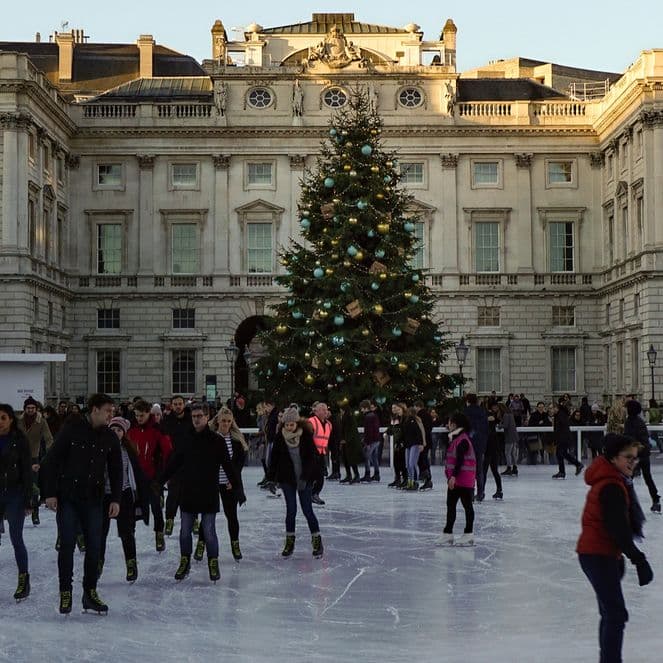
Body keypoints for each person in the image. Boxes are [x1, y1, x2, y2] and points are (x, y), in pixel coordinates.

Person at [41, 393, 122, 615]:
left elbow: (116, 470)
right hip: (68, 498)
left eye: (113, 411)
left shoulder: (109, 437)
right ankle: (65, 591)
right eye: (108, 410)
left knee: (94, 547)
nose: (111, 414)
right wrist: (49, 493)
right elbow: (51, 461)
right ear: (94, 409)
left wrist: (116, 498)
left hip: (94, 500)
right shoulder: (72, 429)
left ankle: (90, 591)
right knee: (67, 545)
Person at [577, 433, 654, 663]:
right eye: (627, 457)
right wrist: (639, 560)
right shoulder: (611, 486)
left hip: (599, 554)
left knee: (611, 613)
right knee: (616, 614)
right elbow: (618, 529)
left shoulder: (613, 480)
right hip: (597, 555)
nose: (633, 462)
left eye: (635, 458)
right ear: (612, 458)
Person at [159, 402, 245, 582]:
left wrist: (237, 488)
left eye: (200, 416)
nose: (196, 419)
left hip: (208, 492)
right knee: (185, 531)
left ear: (207, 418)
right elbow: (174, 463)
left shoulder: (216, 441)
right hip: (188, 491)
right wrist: (158, 482)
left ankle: (213, 561)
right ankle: (185, 561)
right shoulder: (185, 439)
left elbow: (229, 467)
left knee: (209, 530)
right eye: (194, 416)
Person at [267, 407, 323, 558]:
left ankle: (317, 540)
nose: (289, 427)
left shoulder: (305, 436)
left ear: (297, 423)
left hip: (305, 478)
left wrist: (310, 477)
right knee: (291, 510)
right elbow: (275, 459)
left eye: (292, 424)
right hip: (288, 480)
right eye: (287, 424)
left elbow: (313, 459)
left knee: (307, 510)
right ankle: (289, 542)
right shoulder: (280, 437)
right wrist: (271, 478)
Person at [98, 417, 149, 583]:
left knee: (127, 533)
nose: (115, 433)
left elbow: (137, 474)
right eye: (113, 430)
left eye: (119, 430)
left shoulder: (128, 451)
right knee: (100, 533)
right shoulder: (100, 448)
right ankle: (98, 563)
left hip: (124, 495)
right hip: (104, 496)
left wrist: (142, 496)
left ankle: (131, 563)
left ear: (124, 433)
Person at [195, 407, 248, 562]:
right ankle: (201, 544)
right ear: (218, 420)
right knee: (207, 517)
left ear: (232, 423)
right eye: (223, 420)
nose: (225, 423)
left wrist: (234, 481)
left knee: (231, 516)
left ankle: (235, 544)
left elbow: (238, 465)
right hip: (211, 484)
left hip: (228, 484)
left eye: (228, 421)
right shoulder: (209, 438)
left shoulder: (236, 442)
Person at [127, 399, 172, 551]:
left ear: (148, 414)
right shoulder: (131, 429)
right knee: (131, 508)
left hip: (154, 476)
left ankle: (159, 532)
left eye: (141, 415)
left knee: (156, 507)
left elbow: (167, 452)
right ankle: (129, 534)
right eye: (136, 415)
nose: (138, 418)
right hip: (135, 476)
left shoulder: (158, 429)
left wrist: (165, 475)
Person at [0, 403, 32, 601]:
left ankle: (23, 578)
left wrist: (28, 499)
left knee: (16, 537)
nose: (0, 422)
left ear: (11, 419)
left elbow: (27, 471)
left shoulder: (20, 440)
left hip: (15, 493)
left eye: (3, 418)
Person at [437, 412, 476, 546]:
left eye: (449, 422)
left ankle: (468, 533)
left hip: (463, 480)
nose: (447, 425)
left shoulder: (462, 440)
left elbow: (460, 460)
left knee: (467, 506)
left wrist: (453, 476)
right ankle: (448, 533)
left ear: (455, 424)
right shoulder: (456, 439)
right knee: (451, 506)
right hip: (457, 479)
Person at [17, 396, 54, 526]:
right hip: (18, 458)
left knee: (34, 487)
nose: (31, 410)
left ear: (36, 409)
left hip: (33, 457)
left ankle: (35, 512)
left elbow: (48, 438)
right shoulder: (18, 421)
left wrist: (51, 450)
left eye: (33, 408)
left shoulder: (41, 422)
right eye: (28, 408)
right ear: (24, 409)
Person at [161, 395, 193, 535]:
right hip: (172, 462)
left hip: (189, 461)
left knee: (190, 492)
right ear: (171, 405)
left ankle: (194, 519)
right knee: (173, 493)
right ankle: (169, 519)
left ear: (184, 404)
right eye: (175, 404)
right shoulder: (167, 421)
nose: (178, 406)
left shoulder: (191, 419)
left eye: (180, 403)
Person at [624, 400, 660, 513]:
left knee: (627, 479)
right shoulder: (640, 421)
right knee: (647, 477)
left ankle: (625, 502)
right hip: (644, 453)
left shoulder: (630, 422)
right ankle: (656, 500)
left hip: (636, 454)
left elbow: (630, 438)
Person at [464, 394, 488, 501]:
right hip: (480, 444)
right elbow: (485, 428)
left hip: (469, 444)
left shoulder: (466, 412)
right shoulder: (482, 411)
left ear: (468, 401)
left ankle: (470, 492)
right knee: (479, 470)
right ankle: (480, 492)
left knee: (469, 469)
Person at [552, 399, 584, 479]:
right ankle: (562, 471)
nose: (551, 410)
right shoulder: (559, 415)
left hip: (563, 438)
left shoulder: (561, 415)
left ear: (557, 408)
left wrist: (559, 438)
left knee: (562, 453)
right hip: (562, 438)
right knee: (560, 454)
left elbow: (562, 428)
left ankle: (577, 464)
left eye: (553, 408)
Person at [308, 402, 332, 502]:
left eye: (326, 409)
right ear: (316, 411)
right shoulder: (311, 422)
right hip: (311, 453)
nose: (325, 411)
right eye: (322, 409)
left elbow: (328, 439)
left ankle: (315, 494)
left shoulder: (329, 424)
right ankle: (310, 494)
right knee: (312, 475)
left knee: (320, 475)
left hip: (322, 453)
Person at [337, 403, 363, 484]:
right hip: (346, 442)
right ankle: (349, 475)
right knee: (346, 459)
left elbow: (351, 430)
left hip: (351, 442)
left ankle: (356, 475)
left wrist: (346, 439)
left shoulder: (349, 417)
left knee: (351, 459)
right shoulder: (344, 417)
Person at [484, 402, 503, 500]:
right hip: (494, 449)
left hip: (489, 450)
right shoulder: (493, 424)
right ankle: (499, 490)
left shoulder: (487, 429)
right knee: (494, 471)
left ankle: (481, 491)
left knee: (485, 471)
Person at [403, 406, 424, 491]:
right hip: (408, 444)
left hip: (415, 444)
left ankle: (415, 481)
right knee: (408, 465)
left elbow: (419, 432)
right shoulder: (406, 421)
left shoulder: (416, 421)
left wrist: (421, 443)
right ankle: (410, 482)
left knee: (412, 463)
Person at [359, 399, 381, 483]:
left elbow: (369, 431)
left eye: (362, 408)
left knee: (367, 456)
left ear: (365, 408)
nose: (361, 410)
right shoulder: (374, 415)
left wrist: (367, 442)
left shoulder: (368, 417)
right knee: (374, 457)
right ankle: (376, 474)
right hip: (376, 439)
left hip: (372, 440)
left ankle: (367, 474)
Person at [386, 403, 407, 488]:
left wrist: (400, 442)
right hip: (395, 443)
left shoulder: (404, 418)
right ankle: (397, 479)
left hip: (402, 444)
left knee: (402, 463)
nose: (394, 410)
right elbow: (390, 430)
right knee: (396, 462)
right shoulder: (394, 418)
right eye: (393, 408)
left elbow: (403, 431)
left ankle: (405, 479)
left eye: (397, 408)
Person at [499, 403, 519, 477]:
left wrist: (499, 426)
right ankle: (515, 468)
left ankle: (509, 468)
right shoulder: (510, 414)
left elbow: (505, 425)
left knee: (507, 453)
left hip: (509, 436)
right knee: (513, 453)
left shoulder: (505, 415)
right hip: (514, 436)